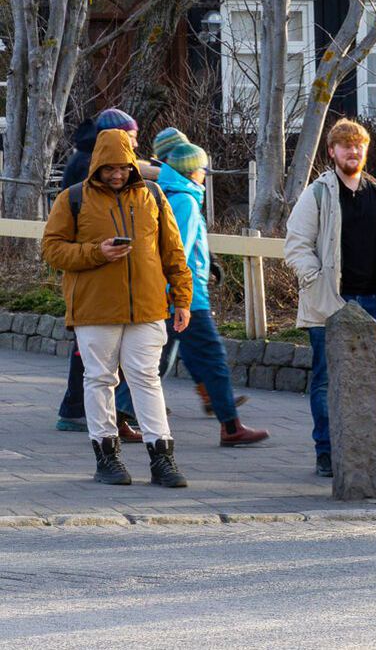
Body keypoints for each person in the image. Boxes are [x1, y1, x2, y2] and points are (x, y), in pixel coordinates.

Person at [42, 129, 193, 488]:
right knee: (100, 380)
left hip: (148, 307)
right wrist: (97, 252)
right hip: (95, 309)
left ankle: (163, 459)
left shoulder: (153, 195)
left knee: (146, 379)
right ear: (96, 165)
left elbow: (173, 252)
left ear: (131, 165)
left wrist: (183, 298)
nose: (116, 174)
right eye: (108, 168)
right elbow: (51, 249)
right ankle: (107, 457)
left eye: (122, 167)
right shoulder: (73, 198)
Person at [284, 118, 376, 478]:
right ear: (332, 151)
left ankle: (363, 452)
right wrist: (317, 282)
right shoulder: (318, 193)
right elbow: (296, 244)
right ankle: (327, 452)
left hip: (372, 302)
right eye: (345, 145)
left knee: (367, 382)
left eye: (358, 145)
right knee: (326, 381)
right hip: (330, 303)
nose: (352, 151)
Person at [156, 142, 269, 446]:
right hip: (188, 298)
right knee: (213, 359)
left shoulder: (171, 194)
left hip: (178, 296)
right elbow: (177, 251)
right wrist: (178, 296)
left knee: (161, 360)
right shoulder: (185, 202)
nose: (205, 174)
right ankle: (231, 427)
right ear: (193, 171)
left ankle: (123, 413)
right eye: (203, 169)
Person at [54, 109, 142, 434]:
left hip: (101, 266)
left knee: (91, 350)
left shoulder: (91, 160)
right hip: (90, 267)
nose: (134, 143)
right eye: (129, 137)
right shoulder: (87, 167)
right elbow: (63, 236)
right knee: (89, 350)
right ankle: (81, 409)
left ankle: (85, 408)